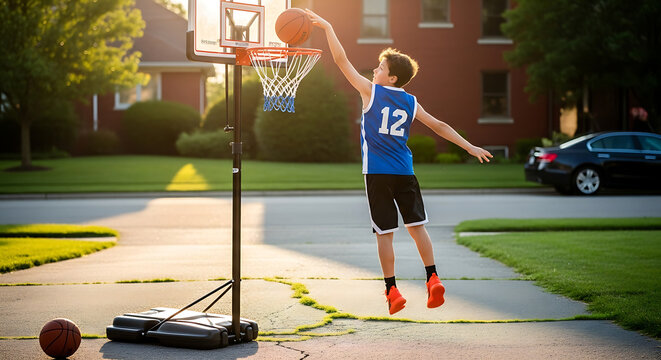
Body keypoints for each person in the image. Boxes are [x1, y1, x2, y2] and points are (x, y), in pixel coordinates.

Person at [306, 9, 493, 315]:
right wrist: (469, 146)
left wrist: (328, 27)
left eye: (379, 68)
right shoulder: (410, 101)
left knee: (384, 233)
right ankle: (432, 278)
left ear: (391, 77)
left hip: (377, 174)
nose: (374, 72)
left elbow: (341, 61)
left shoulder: (371, 92)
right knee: (418, 228)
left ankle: (392, 290)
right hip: (405, 172)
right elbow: (440, 126)